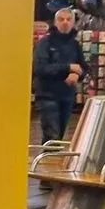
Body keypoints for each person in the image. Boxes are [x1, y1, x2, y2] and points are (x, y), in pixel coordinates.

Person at [33, 8, 87, 142]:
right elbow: (40, 68)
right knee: (52, 135)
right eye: (61, 19)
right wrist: (68, 68)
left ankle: (49, 154)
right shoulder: (45, 43)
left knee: (59, 136)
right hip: (47, 95)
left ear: (73, 23)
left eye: (68, 19)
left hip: (67, 96)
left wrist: (77, 75)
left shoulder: (75, 44)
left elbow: (84, 67)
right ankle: (48, 154)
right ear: (55, 22)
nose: (65, 22)